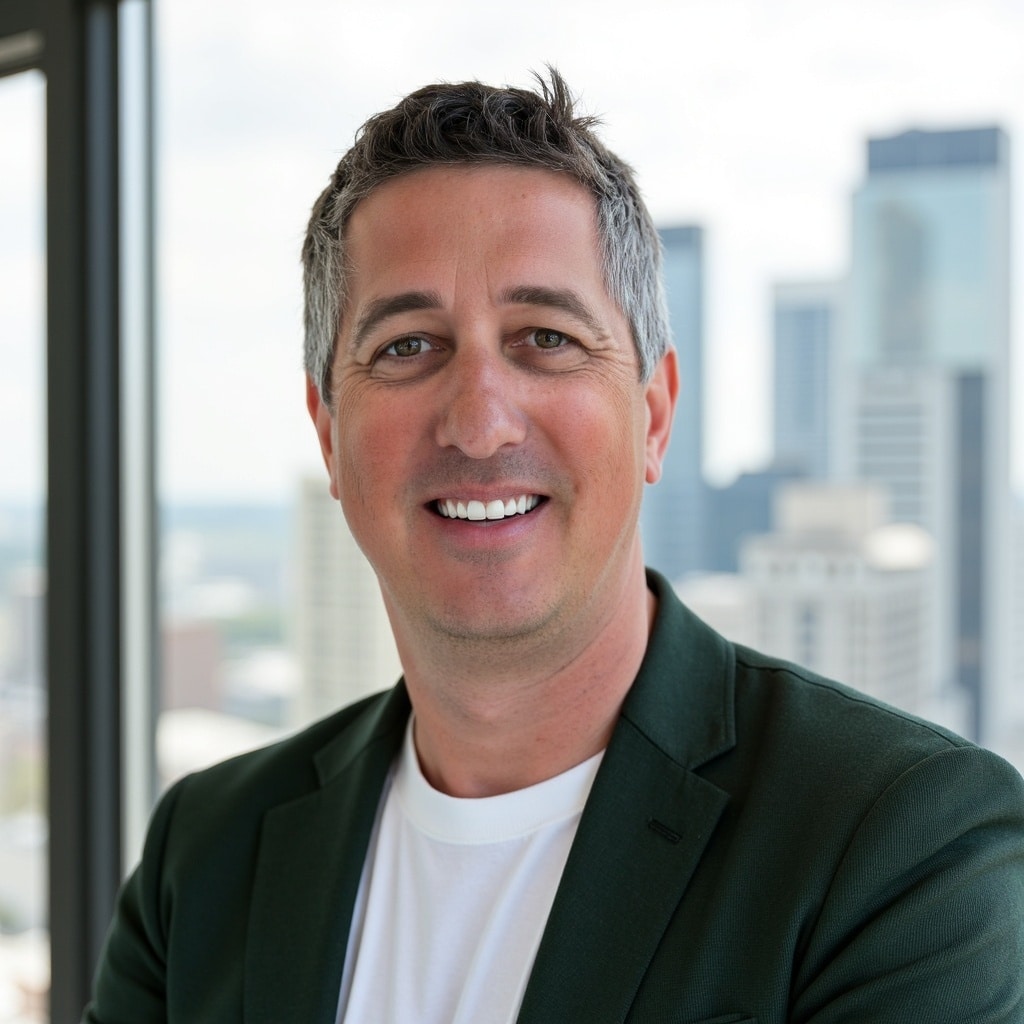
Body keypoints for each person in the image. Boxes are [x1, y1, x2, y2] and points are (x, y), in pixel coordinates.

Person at [85, 70, 1024, 1024]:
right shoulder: (201, 857)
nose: (480, 423)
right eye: (409, 346)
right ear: (329, 433)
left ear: (653, 415)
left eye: (545, 337)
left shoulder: (901, 846)